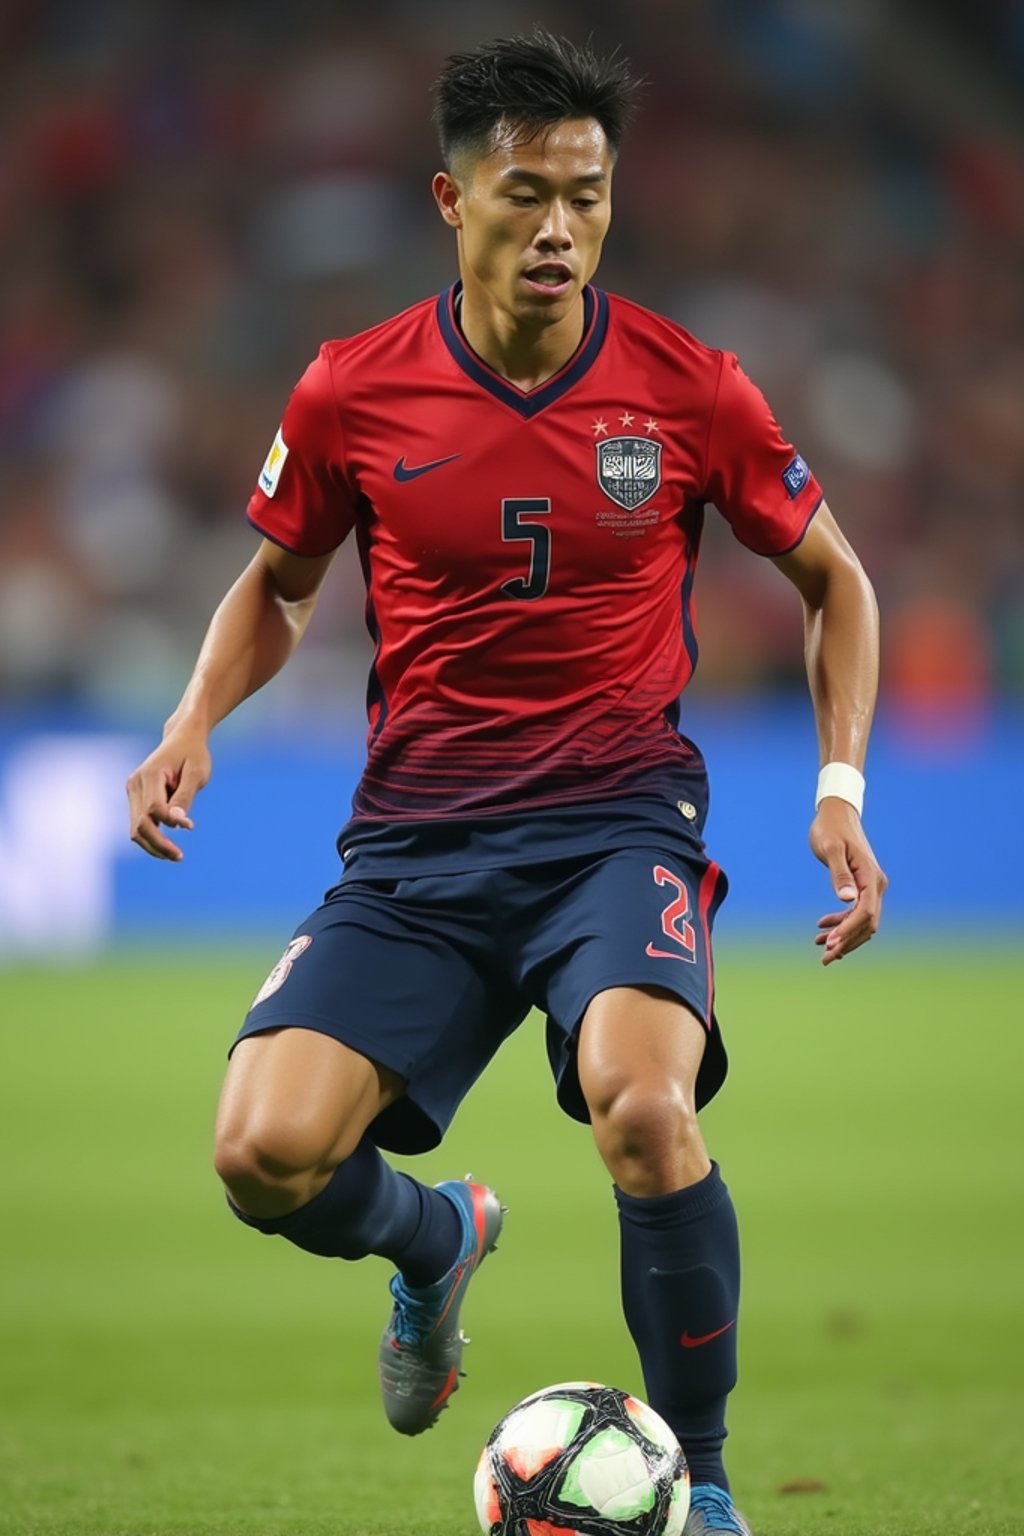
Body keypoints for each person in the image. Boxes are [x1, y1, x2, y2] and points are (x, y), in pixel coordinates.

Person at [126, 31, 886, 1536]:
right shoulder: (353, 390)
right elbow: (275, 586)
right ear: (450, 200)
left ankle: (710, 1483)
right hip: (415, 845)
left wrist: (842, 784)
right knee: (260, 1156)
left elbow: (835, 578)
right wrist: (193, 715)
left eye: (588, 199)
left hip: (616, 827)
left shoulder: (691, 389)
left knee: (647, 1111)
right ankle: (434, 1239)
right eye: (525, 193)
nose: (559, 228)